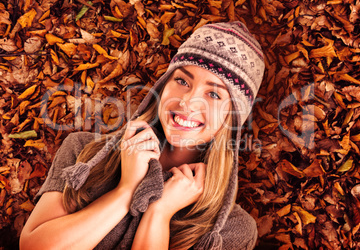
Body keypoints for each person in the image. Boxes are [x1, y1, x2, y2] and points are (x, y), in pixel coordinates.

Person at [20, 21, 265, 249]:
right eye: (182, 81)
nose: (188, 101)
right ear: (162, 86)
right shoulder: (85, 153)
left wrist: (160, 212)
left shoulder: (232, 229)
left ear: (231, 117)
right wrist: (126, 190)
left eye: (214, 95)